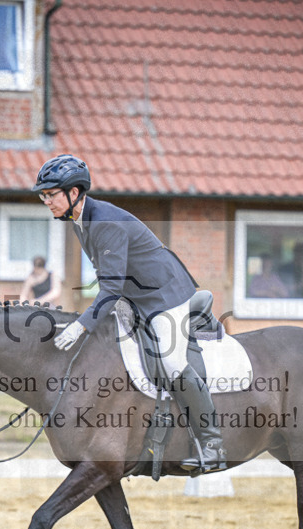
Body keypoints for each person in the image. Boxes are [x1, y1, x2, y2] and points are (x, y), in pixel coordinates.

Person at [33, 154, 225, 475]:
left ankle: (212, 442)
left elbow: (109, 289)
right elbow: (109, 277)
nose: (46, 201)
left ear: (74, 193)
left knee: (172, 362)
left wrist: (81, 325)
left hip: (166, 296)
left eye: (51, 194)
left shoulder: (104, 223)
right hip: (135, 297)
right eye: (44, 195)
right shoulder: (80, 221)